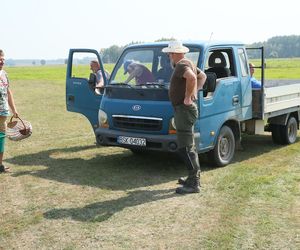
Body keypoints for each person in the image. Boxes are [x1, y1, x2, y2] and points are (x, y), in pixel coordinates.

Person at [162, 41, 207, 194]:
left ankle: (194, 183)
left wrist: (188, 97)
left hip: (184, 109)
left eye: (169, 54)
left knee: (186, 148)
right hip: (184, 110)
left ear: (174, 53)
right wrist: (195, 91)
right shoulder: (188, 62)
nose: (169, 56)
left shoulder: (182, 65)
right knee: (189, 146)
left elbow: (192, 78)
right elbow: (203, 77)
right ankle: (192, 177)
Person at [0, 49, 19, 173]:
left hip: (3, 113)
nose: (1, 62)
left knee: (1, 138)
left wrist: (14, 109)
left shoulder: (4, 74)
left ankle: (0, 165)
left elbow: (8, 92)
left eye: (3, 59)